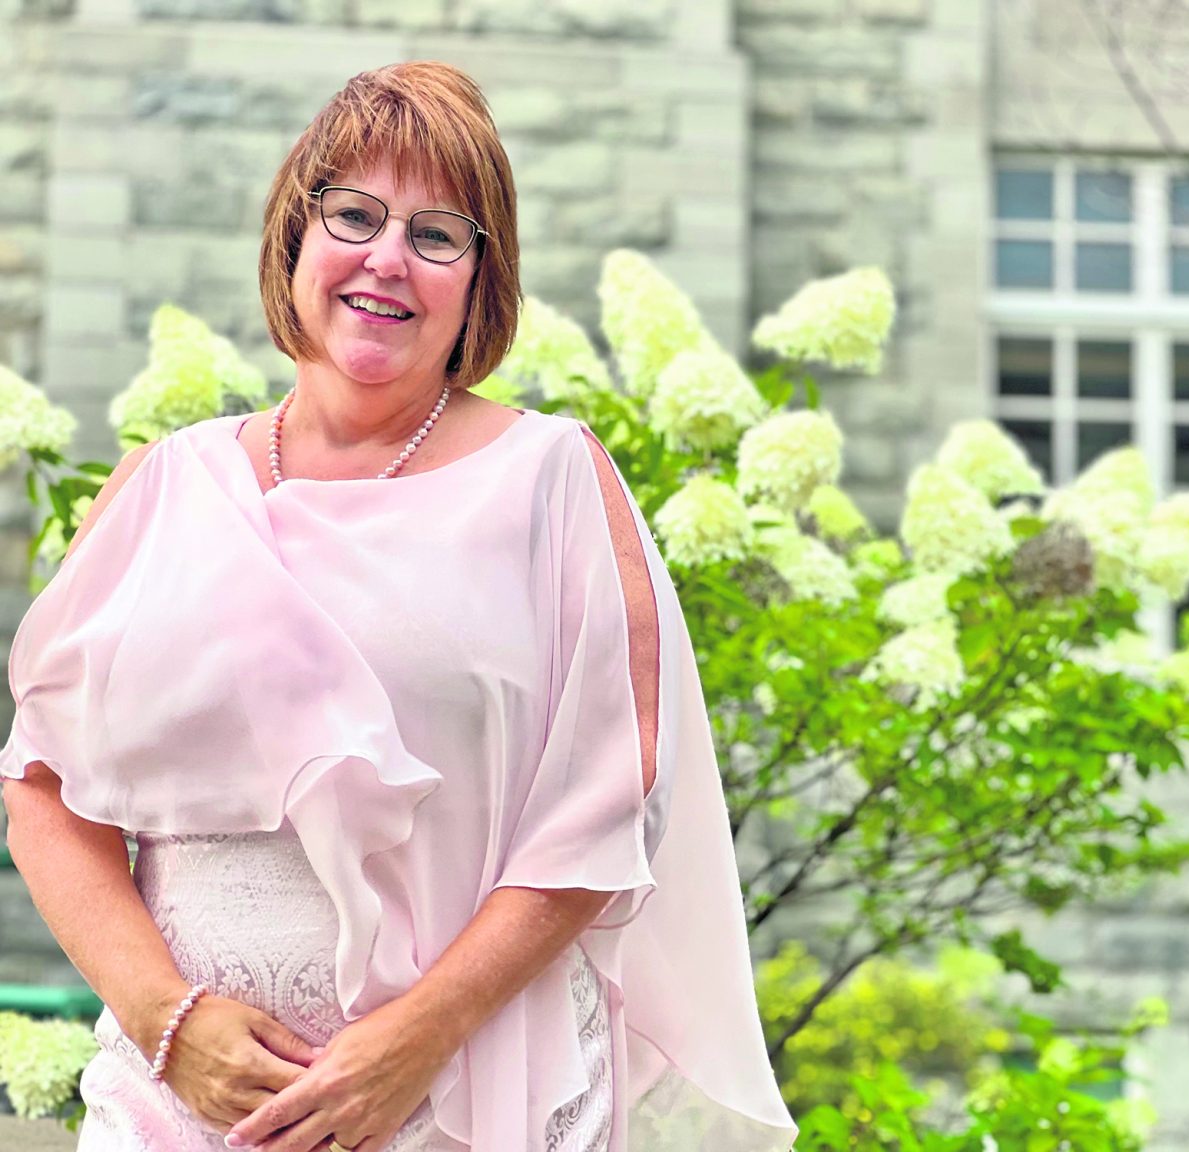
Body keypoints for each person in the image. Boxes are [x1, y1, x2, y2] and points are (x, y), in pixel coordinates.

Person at [0, 61, 797, 1152]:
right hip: (173, 1106)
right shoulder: (159, 488)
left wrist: (416, 1043)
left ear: (481, 281)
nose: (387, 258)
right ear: (297, 235)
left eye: (436, 235)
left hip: (463, 1096)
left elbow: (609, 804)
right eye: (355, 216)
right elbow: (45, 790)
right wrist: (166, 1023)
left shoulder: (552, 481)